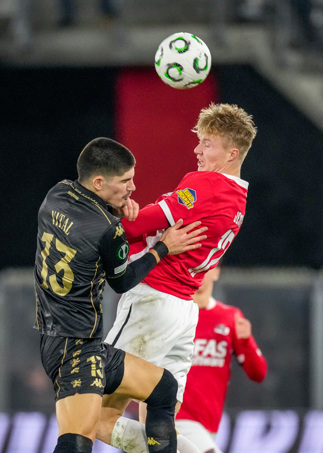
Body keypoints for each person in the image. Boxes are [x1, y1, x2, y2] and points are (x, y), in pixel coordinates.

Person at [98, 103, 257, 452]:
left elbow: (139, 226)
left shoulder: (206, 185)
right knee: (156, 423)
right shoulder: (238, 197)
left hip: (153, 303)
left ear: (232, 153)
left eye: (207, 144)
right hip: (183, 312)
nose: (197, 150)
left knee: (95, 415)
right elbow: (153, 225)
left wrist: (102, 222)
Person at [34, 137, 207, 453]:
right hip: (77, 348)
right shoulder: (107, 230)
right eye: (125, 181)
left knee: (164, 388)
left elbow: (87, 222)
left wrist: (112, 209)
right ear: (99, 182)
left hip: (60, 337)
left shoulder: (56, 194)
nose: (133, 187)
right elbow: (123, 281)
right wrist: (162, 248)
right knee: (77, 442)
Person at [176, 266, 267, 453]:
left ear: (216, 271)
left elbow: (258, 373)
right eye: (196, 262)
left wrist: (246, 342)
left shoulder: (229, 317)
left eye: (207, 264)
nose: (200, 268)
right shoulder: (173, 313)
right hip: (176, 416)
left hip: (209, 424)